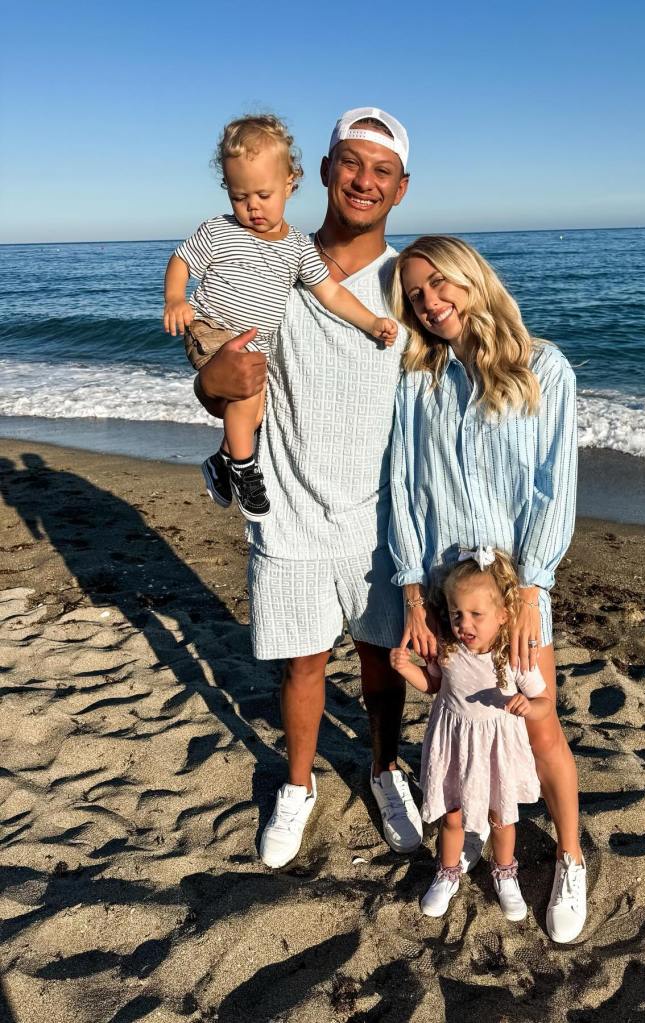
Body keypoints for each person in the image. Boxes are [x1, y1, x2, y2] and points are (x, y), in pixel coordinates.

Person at [193, 108, 422, 867]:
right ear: (320, 172)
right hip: (288, 507)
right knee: (300, 665)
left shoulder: (410, 285)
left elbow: (459, 383)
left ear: (401, 187)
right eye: (350, 164)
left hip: (380, 516)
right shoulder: (269, 261)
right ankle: (297, 784)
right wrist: (208, 381)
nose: (363, 180)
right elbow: (223, 372)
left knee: (383, 661)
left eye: (380, 170)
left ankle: (383, 768)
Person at [389, 235, 587, 942]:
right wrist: (414, 595)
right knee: (457, 714)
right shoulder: (418, 380)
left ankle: (569, 856)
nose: (430, 301)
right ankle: (465, 834)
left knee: (537, 724)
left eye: (440, 283)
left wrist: (532, 591)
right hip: (449, 594)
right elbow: (406, 491)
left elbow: (551, 490)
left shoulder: (544, 368)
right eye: (414, 294)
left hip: (519, 592)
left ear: (473, 279)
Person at [164, 114, 397, 522]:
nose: (251, 207)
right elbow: (182, 260)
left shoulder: (297, 250)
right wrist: (174, 300)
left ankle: (222, 462)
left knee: (256, 408)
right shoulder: (220, 231)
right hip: (214, 328)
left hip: (255, 344)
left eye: (263, 195)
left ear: (291, 182)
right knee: (249, 393)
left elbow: (331, 292)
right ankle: (243, 469)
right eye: (239, 197)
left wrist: (371, 322)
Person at [390, 548, 551, 921]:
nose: (465, 623)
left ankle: (505, 872)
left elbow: (542, 698)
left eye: (477, 615)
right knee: (452, 814)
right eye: (456, 613)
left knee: (501, 815)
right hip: (454, 744)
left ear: (503, 615)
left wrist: (530, 707)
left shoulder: (511, 657)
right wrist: (407, 670)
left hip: (496, 749)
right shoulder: (447, 649)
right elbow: (432, 686)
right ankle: (448, 873)